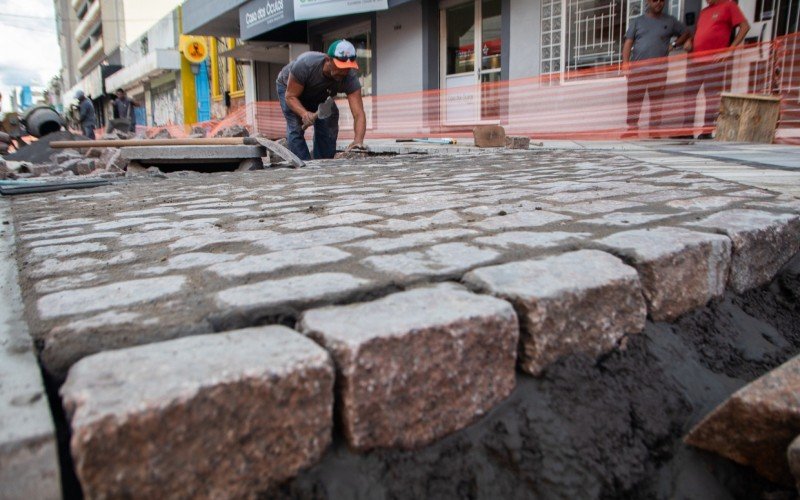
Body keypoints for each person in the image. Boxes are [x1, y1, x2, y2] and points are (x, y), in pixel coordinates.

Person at [276, 39, 366, 160]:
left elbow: (358, 113)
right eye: (341, 67)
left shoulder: (349, 77)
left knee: (330, 116)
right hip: (290, 90)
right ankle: (302, 167)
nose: (344, 72)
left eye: (347, 68)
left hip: (320, 93)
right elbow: (290, 97)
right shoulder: (306, 65)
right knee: (295, 126)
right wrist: (304, 114)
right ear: (328, 60)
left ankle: (323, 162)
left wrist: (358, 140)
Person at [622, 0, 692, 137]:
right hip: (638, 70)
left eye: (661, 0)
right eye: (655, 0)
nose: (658, 3)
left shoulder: (670, 21)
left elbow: (686, 32)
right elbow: (628, 43)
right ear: (648, 1)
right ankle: (631, 129)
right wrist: (625, 64)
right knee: (634, 100)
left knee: (657, 101)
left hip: (659, 70)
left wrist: (675, 44)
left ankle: (654, 131)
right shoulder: (637, 21)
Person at [682, 0, 750, 138]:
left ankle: (706, 132)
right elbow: (701, 32)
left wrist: (730, 50)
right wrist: (691, 42)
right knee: (689, 95)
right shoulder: (704, 11)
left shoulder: (729, 5)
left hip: (714, 61)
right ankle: (686, 130)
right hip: (696, 60)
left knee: (711, 96)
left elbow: (745, 26)